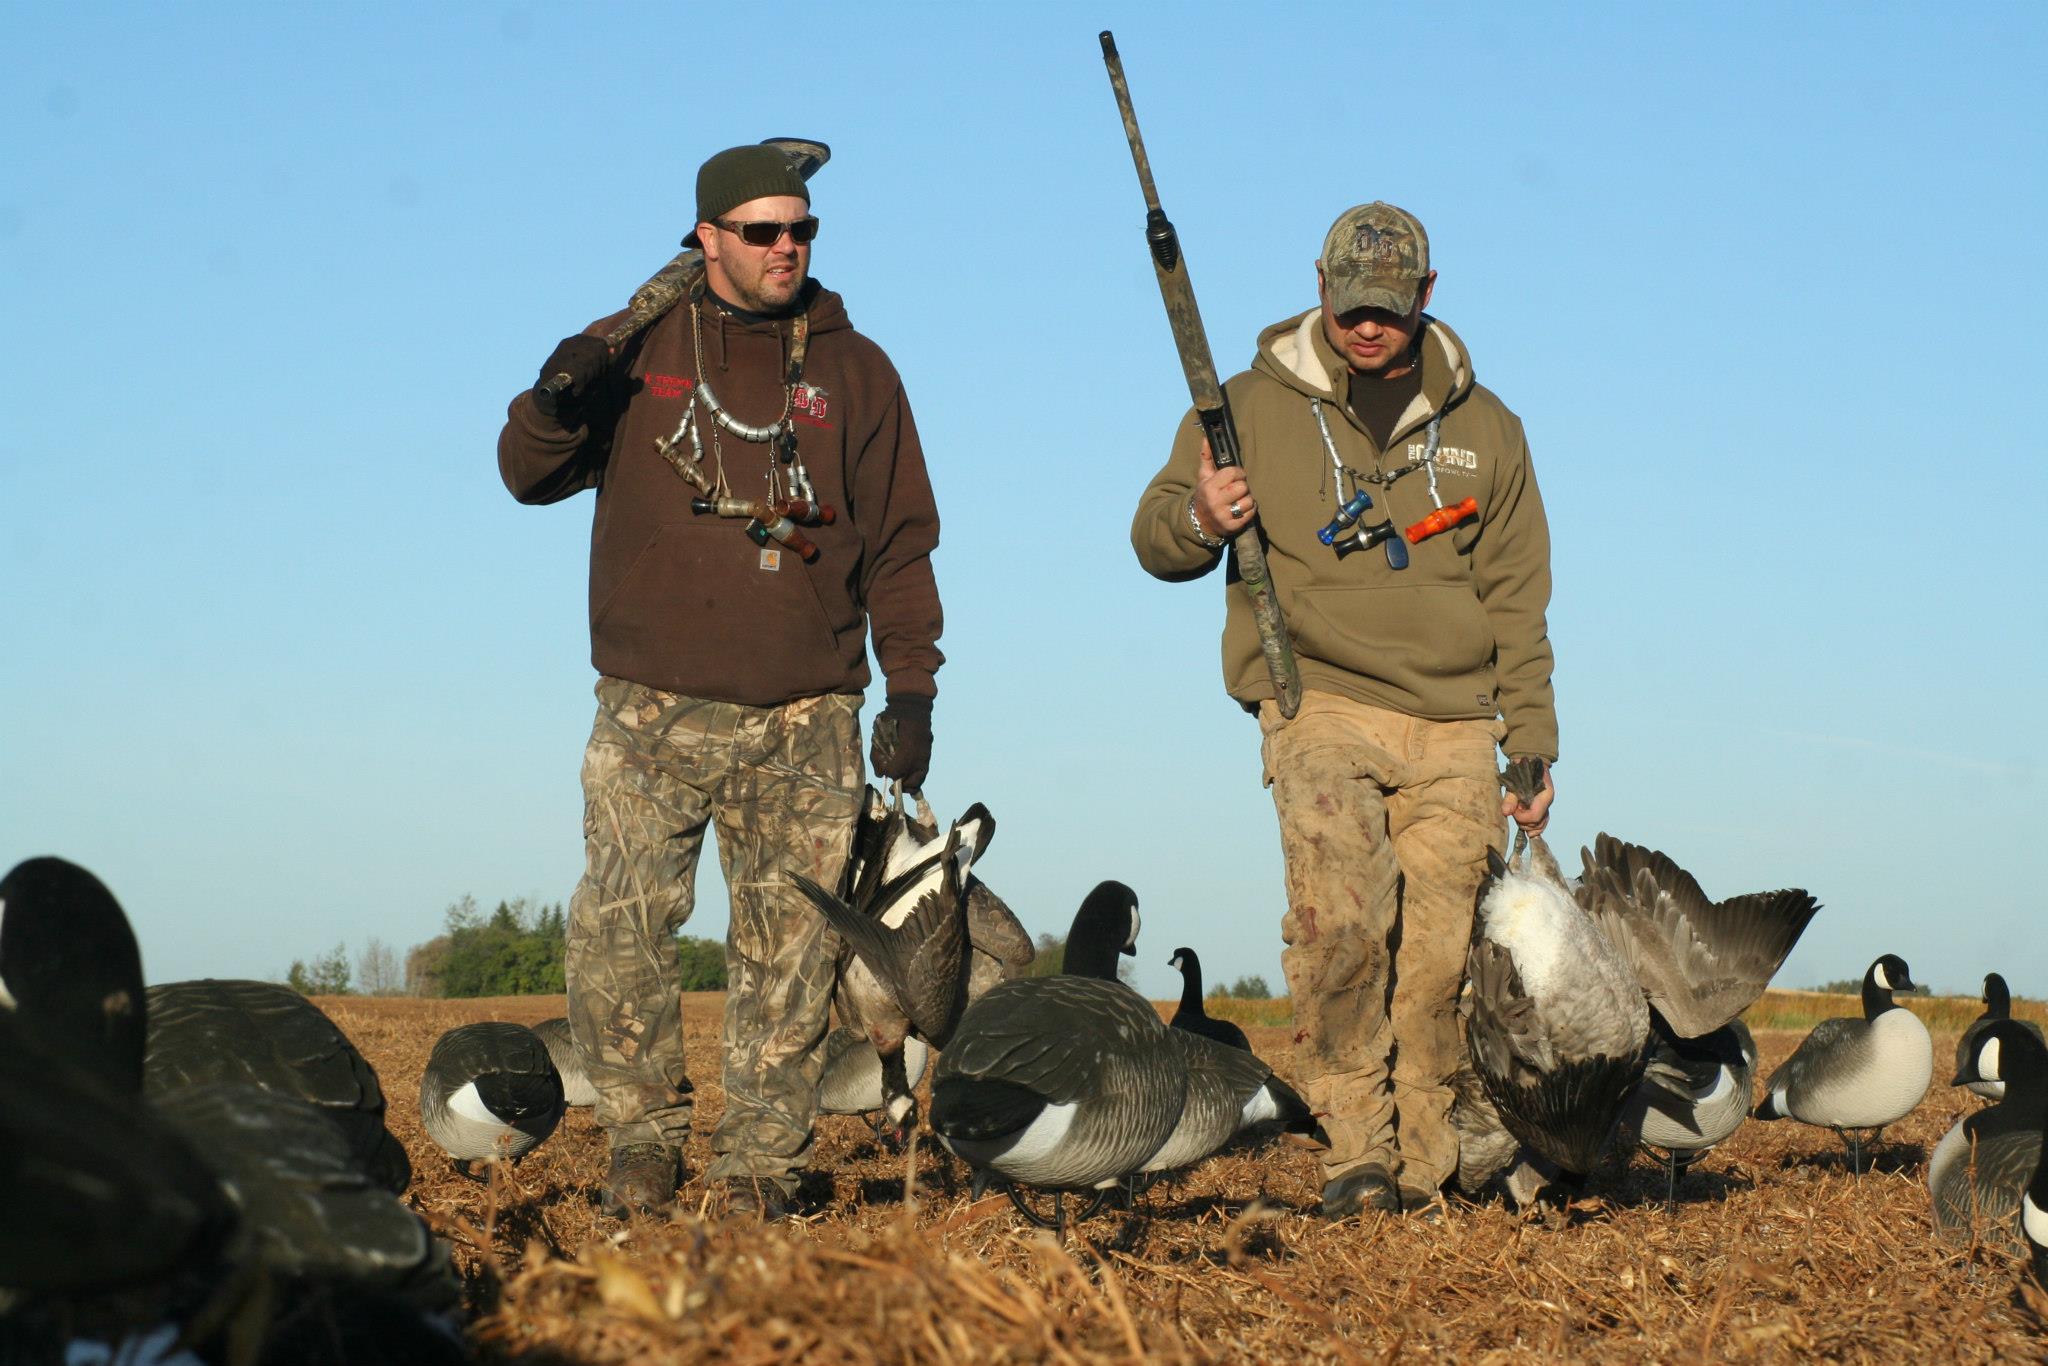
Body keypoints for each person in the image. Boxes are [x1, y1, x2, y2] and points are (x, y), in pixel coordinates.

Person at [497, 143, 944, 1220]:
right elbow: (525, 474)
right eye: (761, 231)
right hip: (649, 704)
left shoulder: (857, 371)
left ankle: (756, 1166)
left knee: (787, 954)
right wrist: (558, 398)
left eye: (802, 230)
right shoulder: (639, 347)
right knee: (619, 930)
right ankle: (642, 1144)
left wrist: (911, 691)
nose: (786, 247)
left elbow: (901, 546)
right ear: (707, 238)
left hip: (807, 715)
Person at [1131, 202, 1556, 1219]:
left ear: (1426, 297)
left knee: (1442, 957)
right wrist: (1200, 518)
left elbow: (1517, 593)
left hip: (1455, 724)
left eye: (1389, 309)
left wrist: (1529, 746)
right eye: (1349, 305)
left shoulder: (1487, 428)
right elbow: (1153, 535)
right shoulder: (1239, 405)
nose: (1367, 326)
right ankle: (1356, 1149)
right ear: (1317, 286)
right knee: (1341, 933)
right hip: (1316, 700)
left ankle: (1426, 1157)